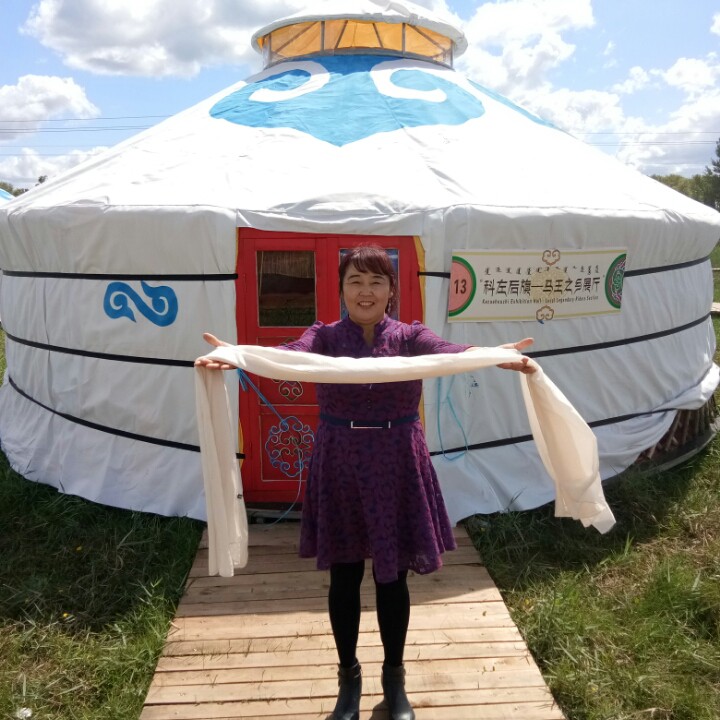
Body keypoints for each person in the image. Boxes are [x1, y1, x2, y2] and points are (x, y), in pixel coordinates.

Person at [195, 244, 535, 720]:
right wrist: (236, 357)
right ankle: (348, 679)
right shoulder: (325, 336)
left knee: (392, 577)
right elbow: (287, 357)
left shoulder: (410, 336)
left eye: (376, 281)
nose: (366, 290)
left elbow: (450, 353)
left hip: (397, 461)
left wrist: (493, 356)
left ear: (392, 289)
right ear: (341, 289)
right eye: (355, 280)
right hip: (342, 461)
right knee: (345, 575)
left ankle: (394, 680)